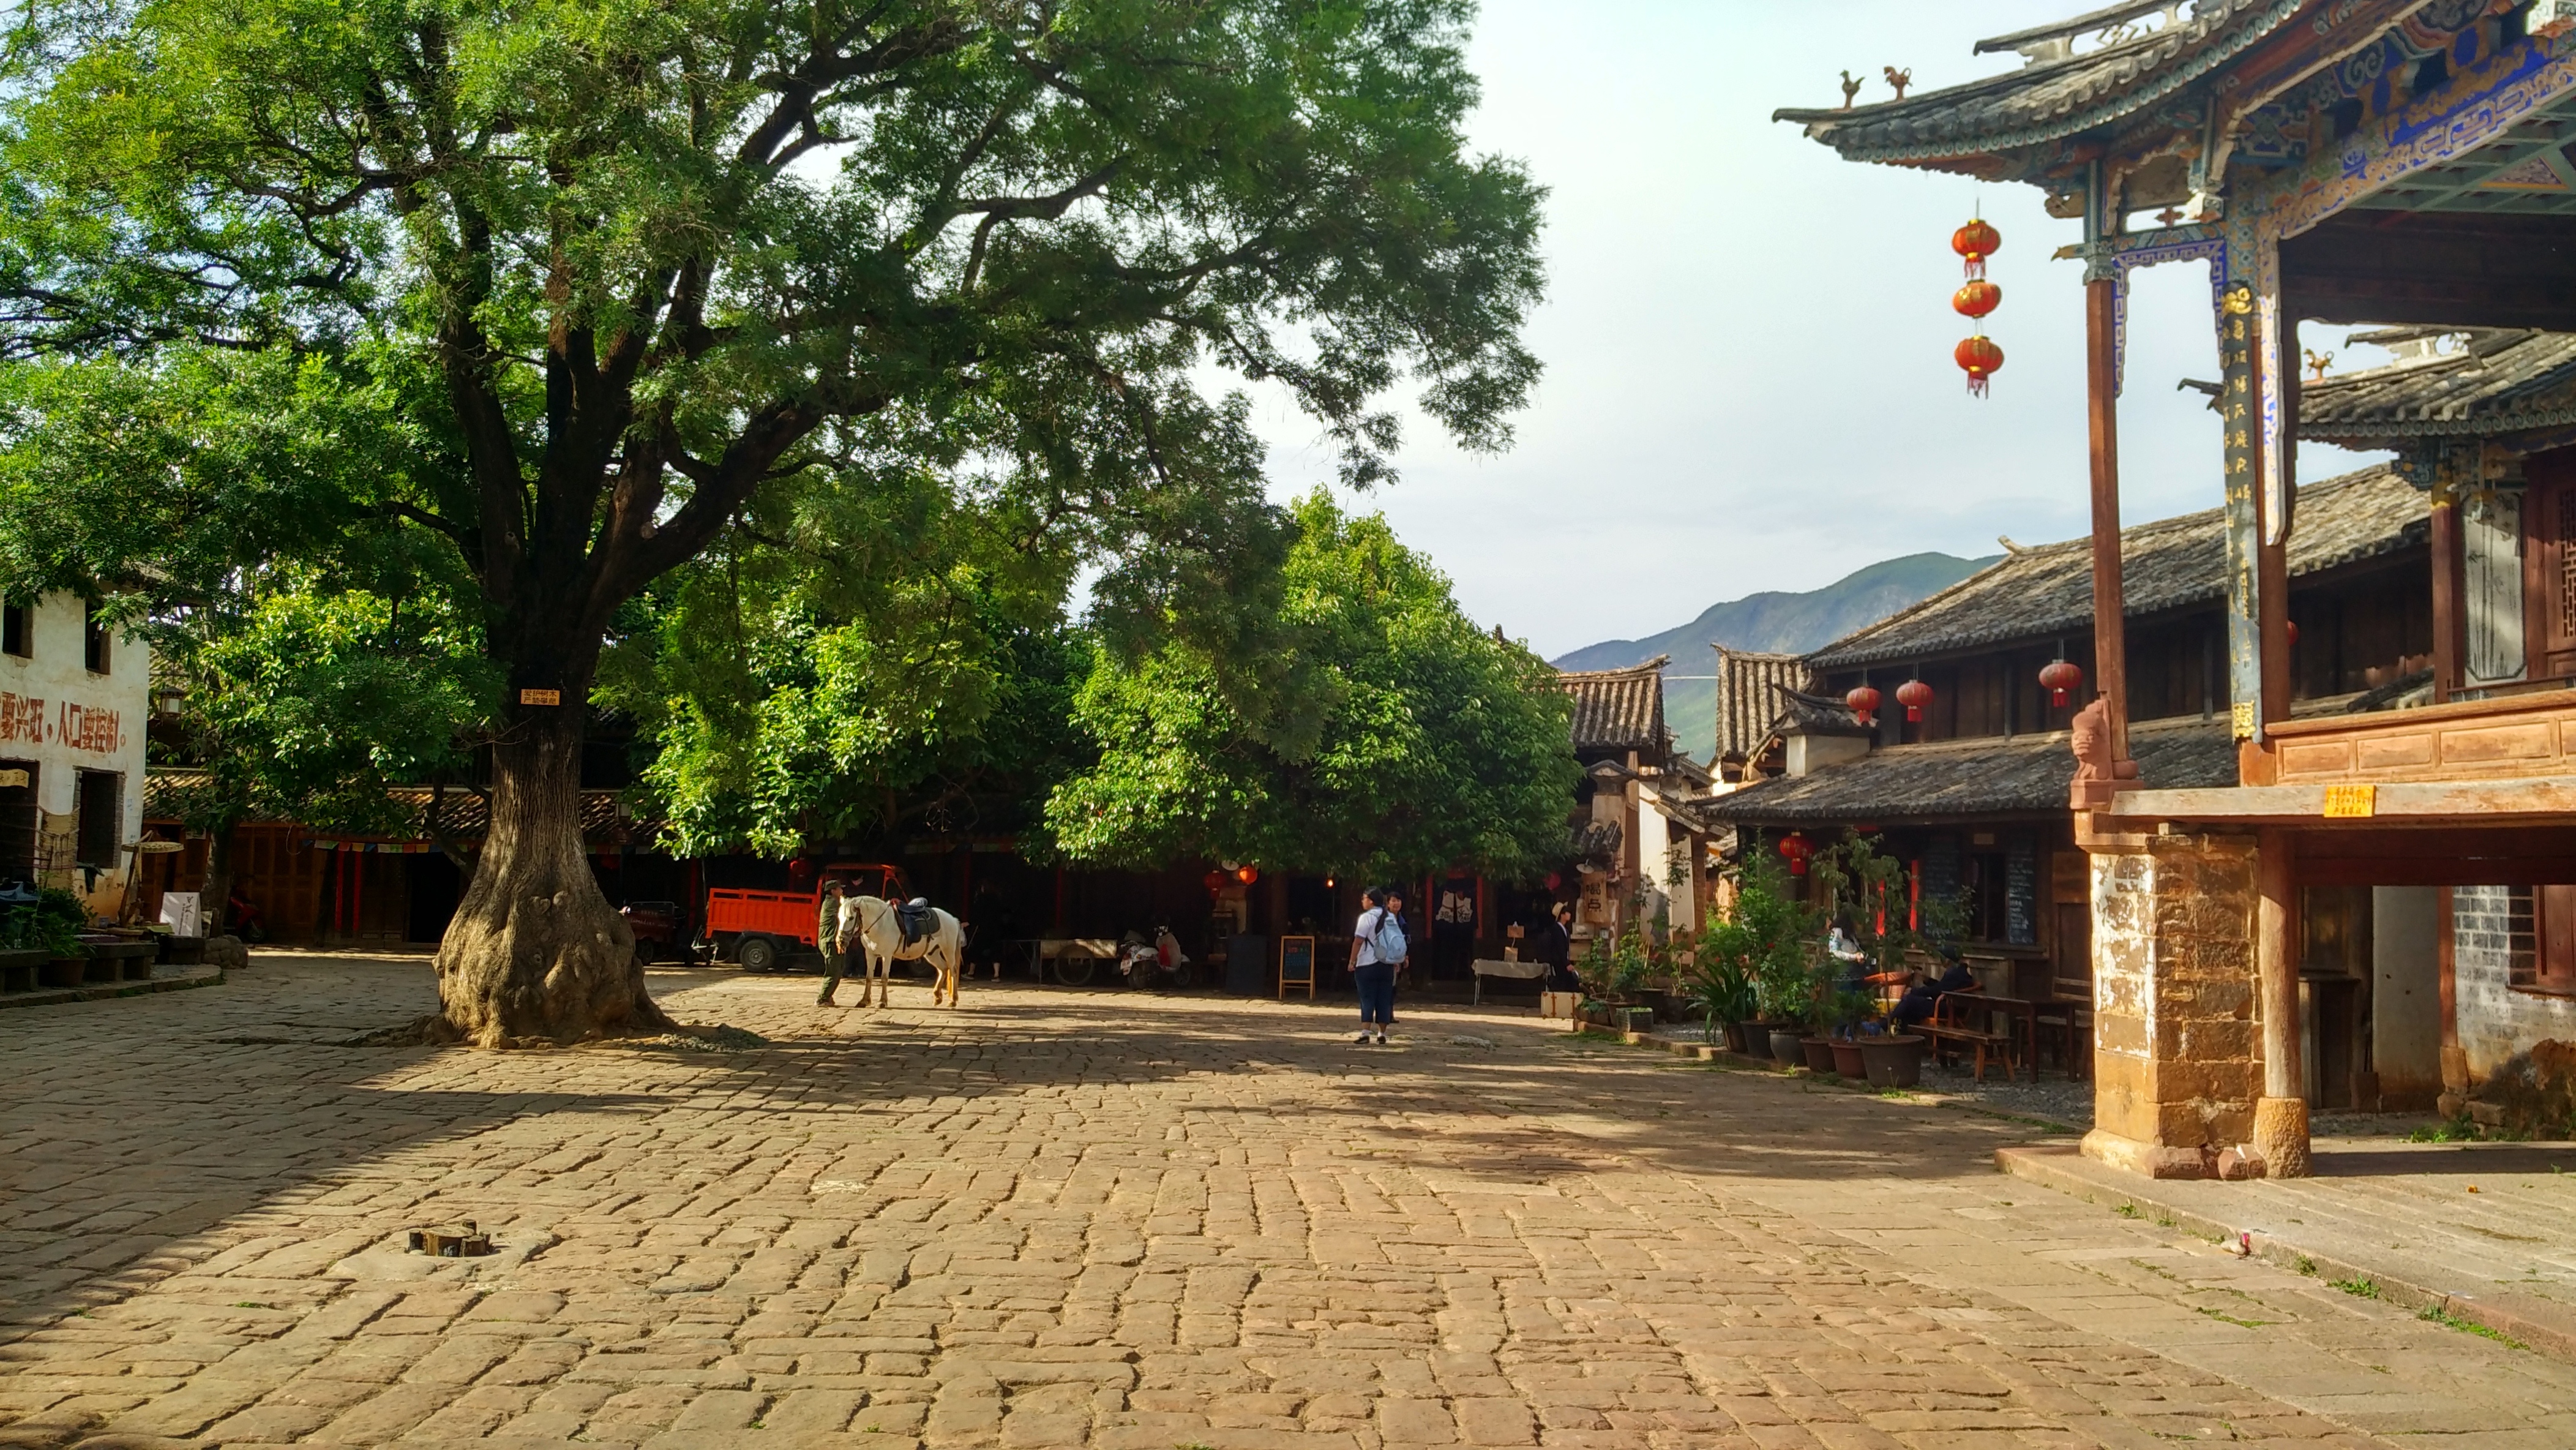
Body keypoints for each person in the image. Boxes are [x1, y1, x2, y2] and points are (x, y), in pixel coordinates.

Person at [1349, 886, 1407, 1045]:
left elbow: (1358, 941)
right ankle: (1382, 1033)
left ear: (1371, 901)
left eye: (1364, 898)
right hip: (1387, 963)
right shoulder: (1390, 917)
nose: (1362, 901)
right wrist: (1396, 960)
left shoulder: (1366, 918)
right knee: (1384, 998)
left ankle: (1365, 1033)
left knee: (1367, 998)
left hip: (1367, 963)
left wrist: (1352, 961)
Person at [1889, 949, 1975, 1029]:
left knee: (1909, 1000)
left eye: (1941, 958)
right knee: (1912, 1002)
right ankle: (1898, 1028)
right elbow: (1943, 987)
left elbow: (1937, 991)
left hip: (1947, 1009)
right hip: (1950, 1006)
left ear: (1947, 961)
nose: (1940, 961)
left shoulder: (1954, 974)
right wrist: (1927, 980)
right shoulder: (1960, 972)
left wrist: (1914, 991)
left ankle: (1886, 1025)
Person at [814, 880, 849, 1006]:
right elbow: (847, 909)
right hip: (830, 941)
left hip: (833, 941)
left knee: (838, 970)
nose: (842, 891)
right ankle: (822, 998)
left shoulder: (834, 901)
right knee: (833, 972)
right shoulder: (832, 903)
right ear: (833, 891)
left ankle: (828, 996)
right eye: (840, 889)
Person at [1540, 901, 1579, 993]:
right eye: (1567, 913)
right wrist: (1566, 963)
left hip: (1563, 961)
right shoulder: (1556, 929)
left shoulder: (1565, 930)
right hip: (1558, 962)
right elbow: (1560, 948)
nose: (1569, 915)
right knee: (1562, 984)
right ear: (1562, 915)